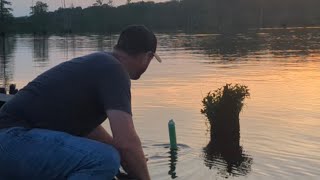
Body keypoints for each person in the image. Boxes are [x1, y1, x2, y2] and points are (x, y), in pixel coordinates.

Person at [0, 25, 162, 180]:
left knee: (105, 156)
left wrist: (129, 160)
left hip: (15, 144)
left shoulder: (101, 63)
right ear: (147, 56)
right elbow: (127, 143)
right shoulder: (115, 70)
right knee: (103, 160)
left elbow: (89, 130)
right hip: (12, 139)